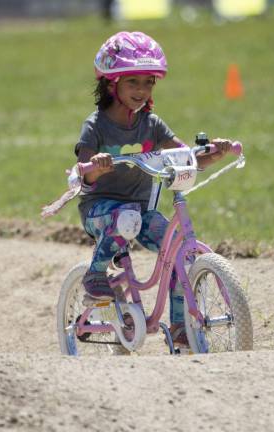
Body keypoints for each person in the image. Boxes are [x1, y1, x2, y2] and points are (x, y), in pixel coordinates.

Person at [75, 31, 232, 346]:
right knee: (126, 218)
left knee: (177, 249)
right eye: (133, 82)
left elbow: (184, 157)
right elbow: (83, 175)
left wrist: (210, 154)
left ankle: (179, 327)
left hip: (141, 212)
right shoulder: (96, 126)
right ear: (111, 83)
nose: (142, 90)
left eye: (149, 82)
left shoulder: (152, 125)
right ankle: (96, 274)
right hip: (99, 212)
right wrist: (96, 167)